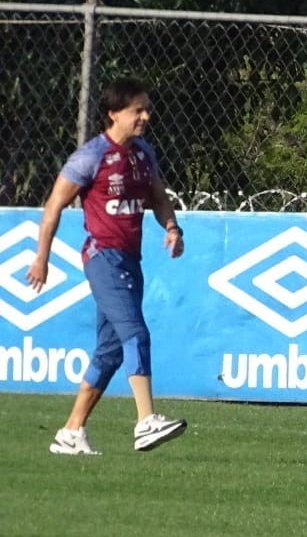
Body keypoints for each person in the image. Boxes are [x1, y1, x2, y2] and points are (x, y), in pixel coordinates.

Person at [26, 77, 188, 455]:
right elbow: (53, 206)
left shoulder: (143, 153)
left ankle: (71, 432)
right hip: (103, 257)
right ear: (114, 114)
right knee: (136, 333)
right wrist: (41, 257)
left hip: (131, 260)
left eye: (147, 109)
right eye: (138, 110)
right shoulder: (91, 156)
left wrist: (172, 226)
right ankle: (146, 421)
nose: (146, 116)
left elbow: (159, 197)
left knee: (110, 352)